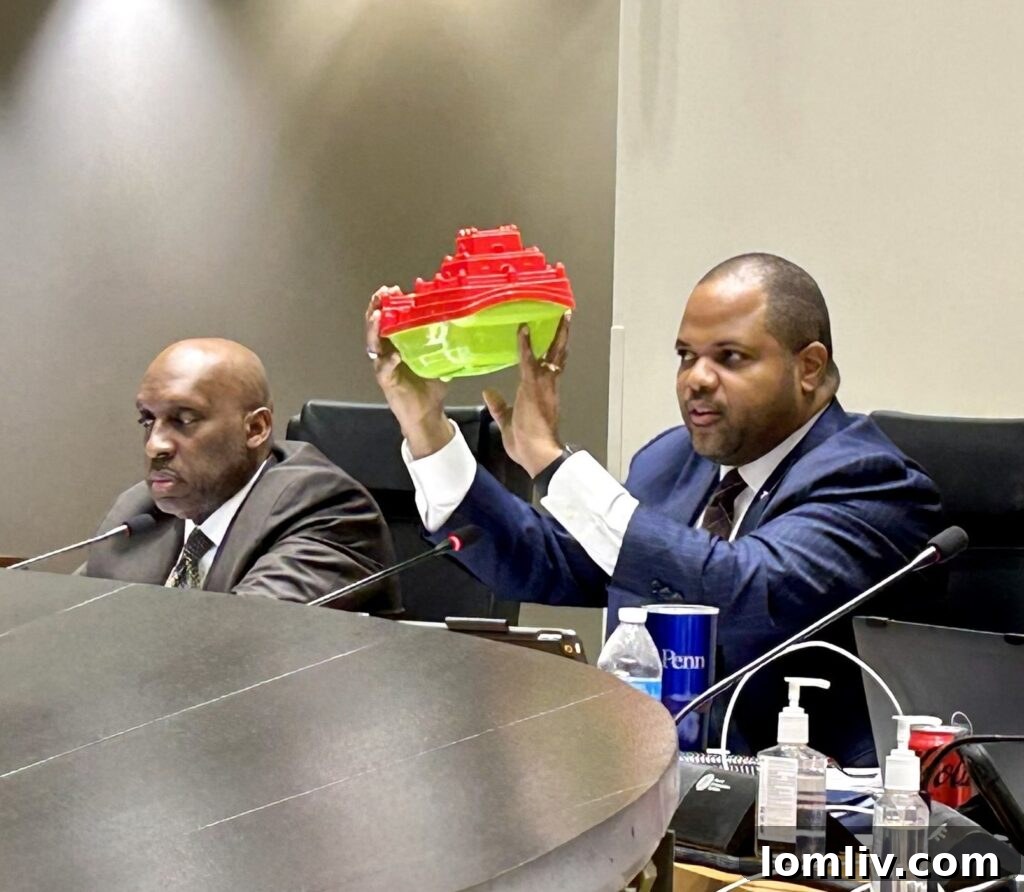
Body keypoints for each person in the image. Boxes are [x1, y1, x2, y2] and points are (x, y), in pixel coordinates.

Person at [366, 254, 942, 764]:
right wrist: (427, 430)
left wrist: (555, 466)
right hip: (645, 785)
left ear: (809, 367)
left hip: (815, 823)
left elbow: (746, 587)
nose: (695, 379)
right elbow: (546, 561)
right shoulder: (670, 461)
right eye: (685, 356)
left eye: (731, 357)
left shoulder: (872, 481)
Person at [84, 338, 400, 615]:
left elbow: (237, 639)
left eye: (184, 419)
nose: (155, 445)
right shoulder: (137, 515)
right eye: (148, 420)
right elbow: (67, 624)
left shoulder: (326, 511)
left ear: (256, 428)